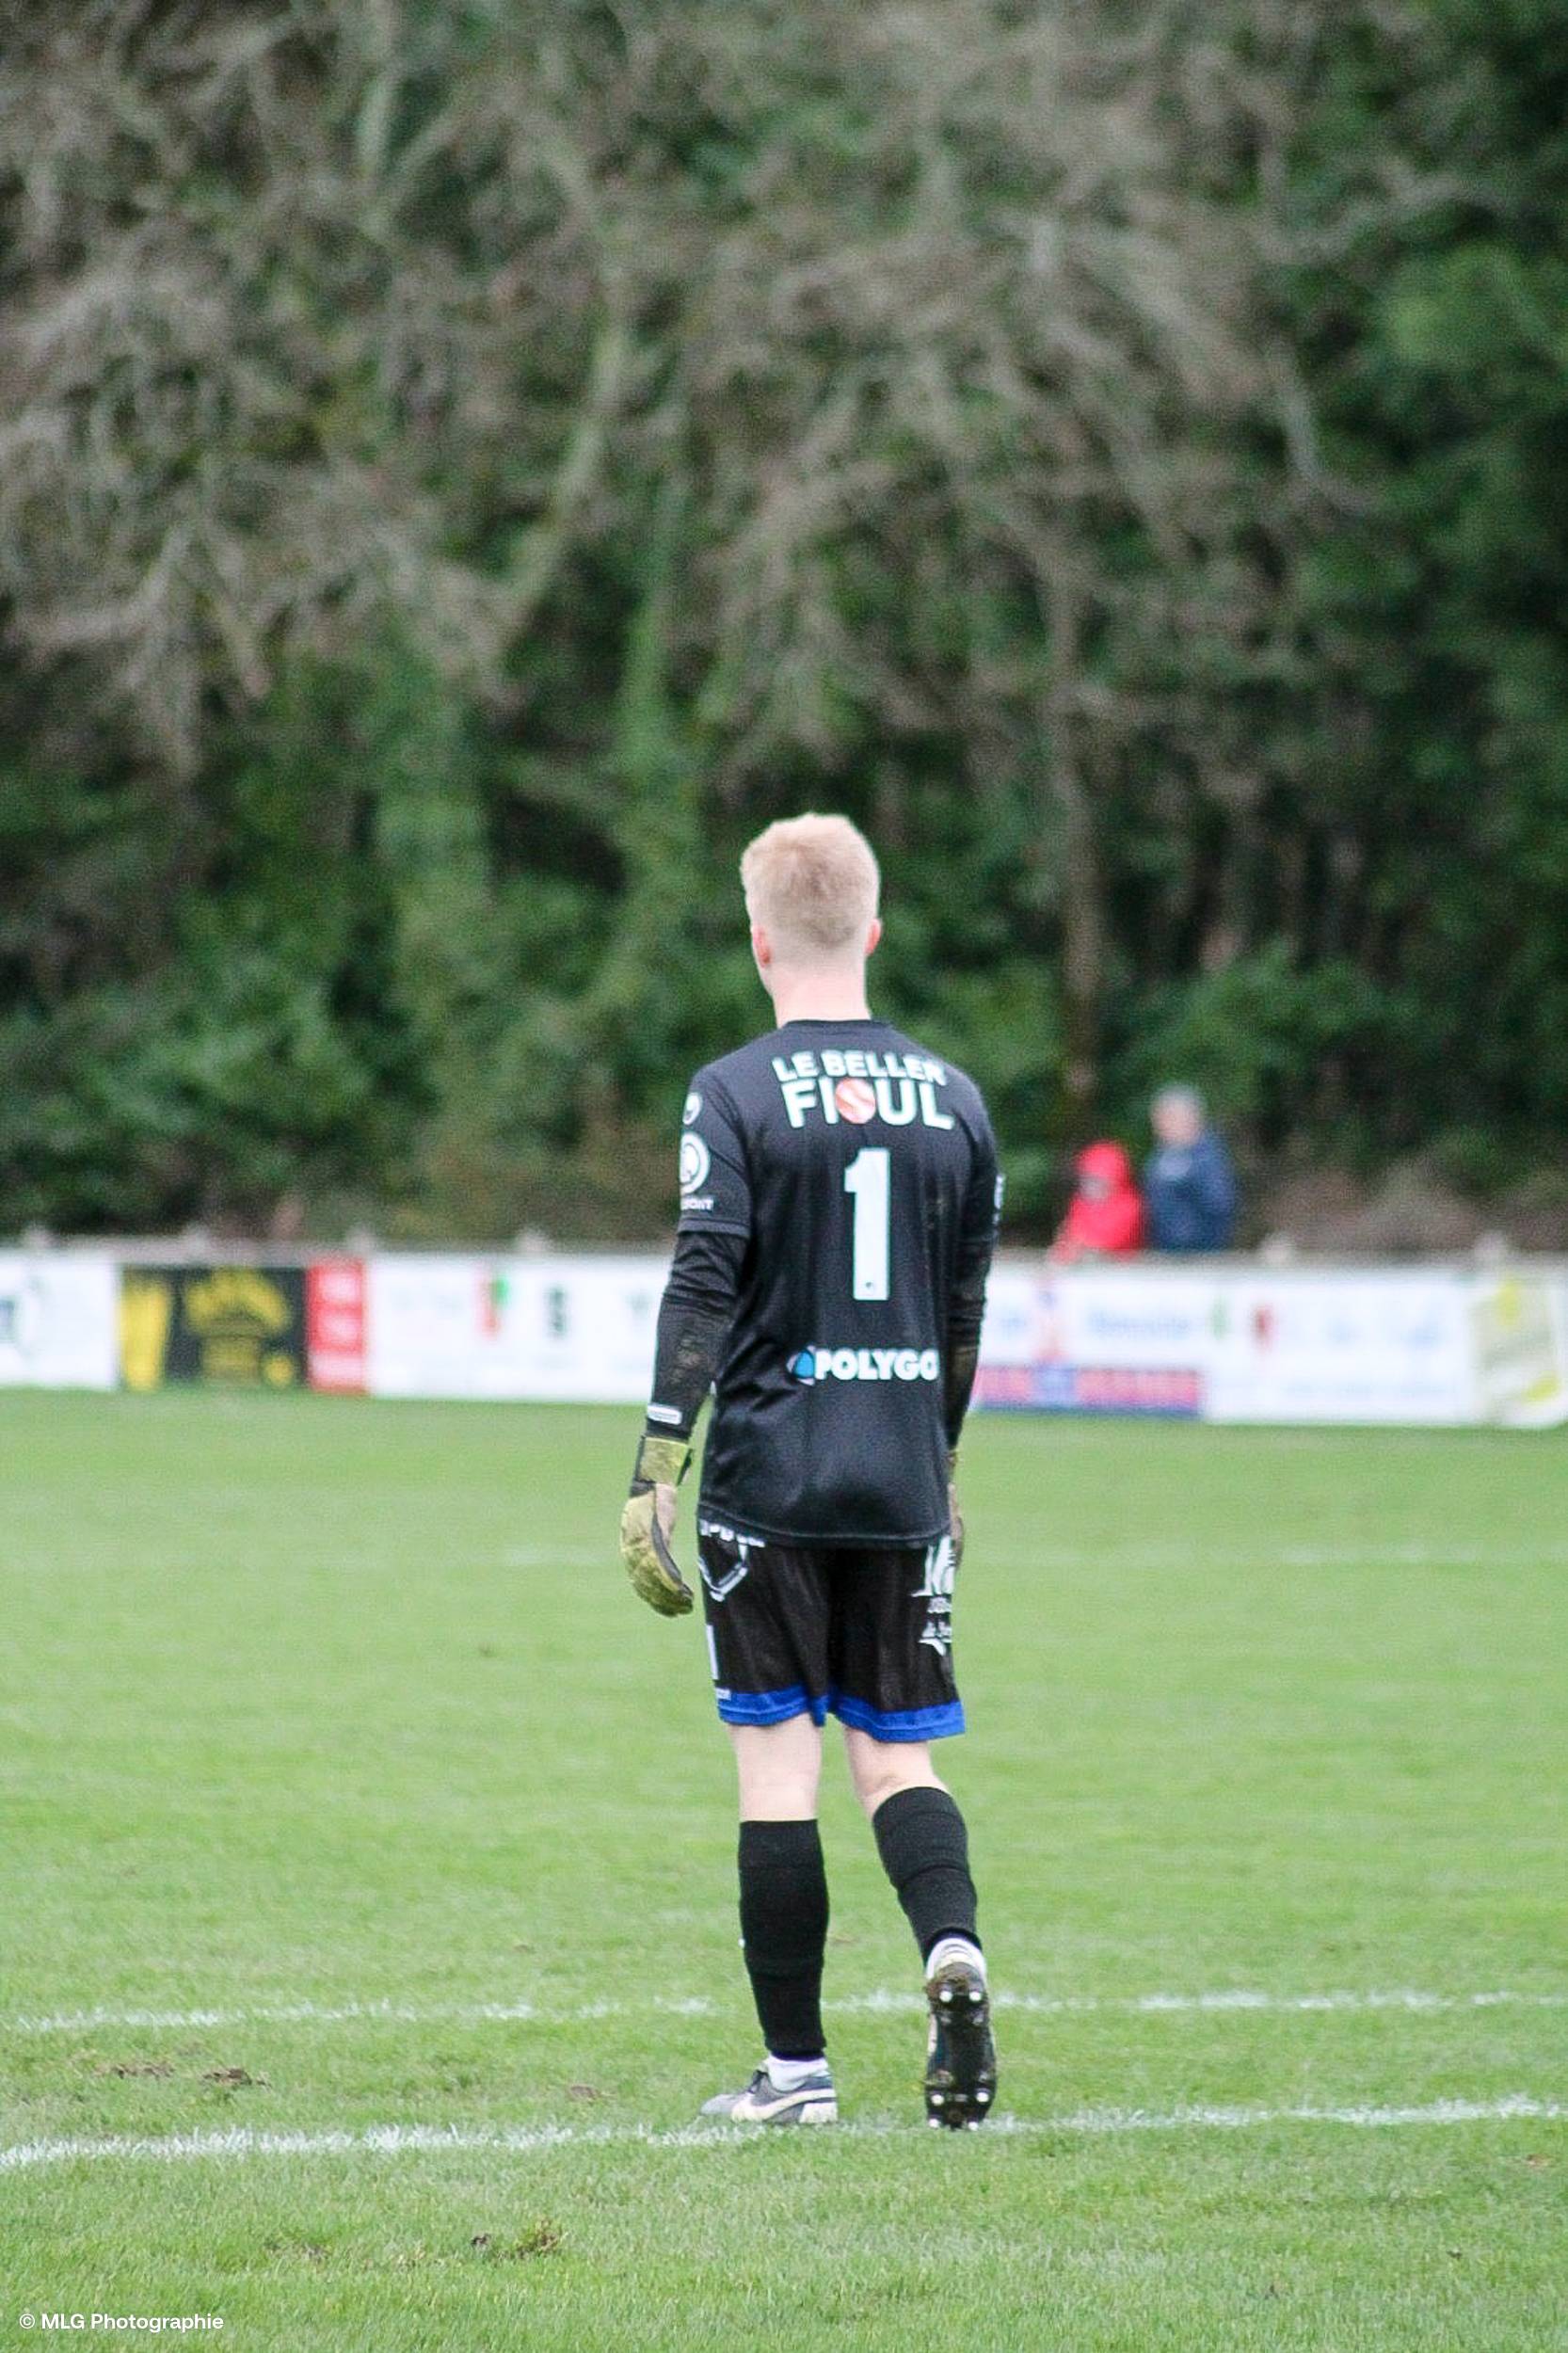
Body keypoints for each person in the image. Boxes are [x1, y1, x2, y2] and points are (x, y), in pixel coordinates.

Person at [618, 813, 1002, 2131]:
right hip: (901, 1477)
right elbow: (964, 1312)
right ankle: (952, 1951)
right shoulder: (956, 1099)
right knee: (897, 1763)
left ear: (758, 939)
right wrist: (941, 1460)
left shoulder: (730, 1091)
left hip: (769, 1478)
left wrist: (655, 1461)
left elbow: (703, 1283)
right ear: (873, 930)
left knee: (778, 1771)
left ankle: (795, 2074)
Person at [1144, 1084, 1238, 1253]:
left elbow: (1220, 1204)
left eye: (1169, 1118)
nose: (1160, 1125)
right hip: (1164, 1251)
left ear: (1192, 1118)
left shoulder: (1209, 1158)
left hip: (1201, 1253)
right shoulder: (1159, 1158)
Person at [1048, 1140, 1144, 1261]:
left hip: (1123, 1268)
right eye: (1087, 1179)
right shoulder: (1080, 1203)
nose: (1091, 1186)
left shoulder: (1130, 1206)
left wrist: (1077, 1246)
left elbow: (1110, 1243)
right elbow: (1069, 1235)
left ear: (1116, 1179)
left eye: (1098, 1180)